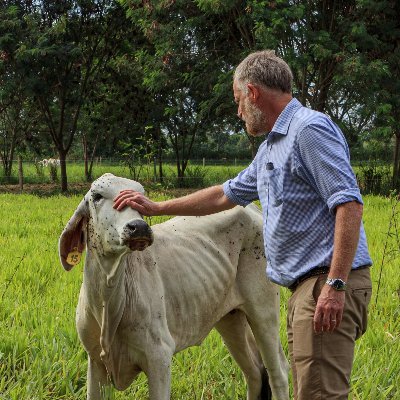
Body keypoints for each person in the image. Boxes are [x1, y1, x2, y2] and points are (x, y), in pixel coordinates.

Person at [113, 50, 373, 400]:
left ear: (252, 93)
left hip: (325, 281)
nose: (238, 112)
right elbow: (226, 195)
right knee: (309, 391)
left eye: (238, 101)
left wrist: (336, 284)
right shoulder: (272, 148)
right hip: (305, 288)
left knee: (320, 395)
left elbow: (349, 204)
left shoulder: (308, 130)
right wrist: (158, 208)